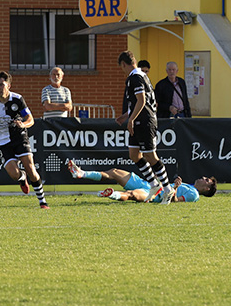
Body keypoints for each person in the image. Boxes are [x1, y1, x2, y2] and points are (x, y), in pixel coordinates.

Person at [0, 71, 48, 209]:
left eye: (1, 85)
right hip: (1, 141)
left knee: (31, 169)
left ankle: (42, 201)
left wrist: (24, 124)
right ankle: (22, 178)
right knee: (14, 174)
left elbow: (30, 119)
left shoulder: (17, 99)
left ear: (9, 85)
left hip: (19, 137)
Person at [115, 50, 172, 200]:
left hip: (145, 121)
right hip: (139, 120)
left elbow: (142, 101)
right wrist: (126, 116)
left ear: (123, 64)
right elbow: (138, 102)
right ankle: (154, 185)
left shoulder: (135, 77)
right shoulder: (141, 75)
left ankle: (168, 189)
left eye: (121, 67)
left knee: (150, 156)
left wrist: (131, 120)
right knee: (134, 154)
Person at [68, 160, 216, 203]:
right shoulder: (189, 185)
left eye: (207, 180)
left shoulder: (194, 194)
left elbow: (175, 201)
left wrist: (175, 188)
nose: (203, 178)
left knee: (132, 194)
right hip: (149, 184)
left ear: (207, 189)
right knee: (114, 172)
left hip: (156, 195)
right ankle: (81, 173)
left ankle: (112, 194)